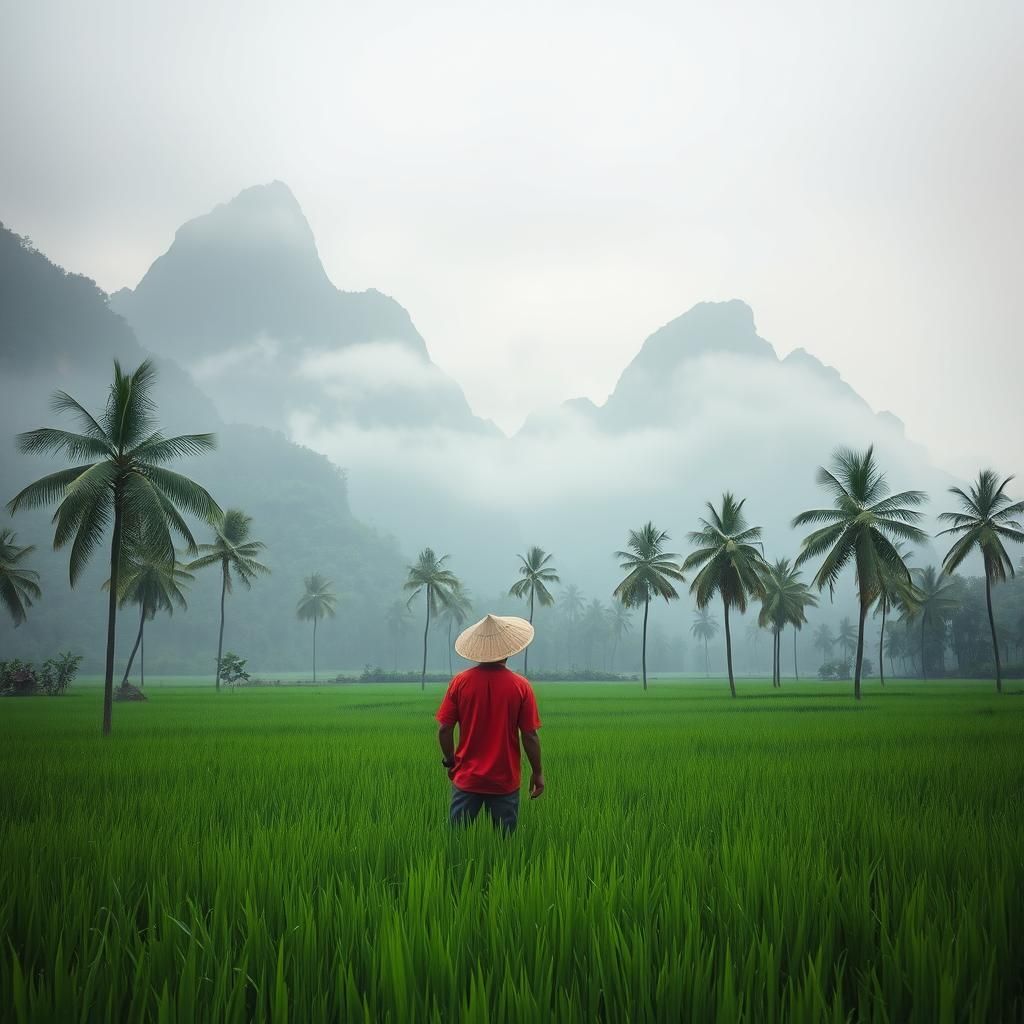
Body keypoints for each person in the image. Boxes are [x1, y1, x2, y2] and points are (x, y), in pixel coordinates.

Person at [435, 613, 544, 832]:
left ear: (479, 649)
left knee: (456, 841)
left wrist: (450, 761)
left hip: (467, 778)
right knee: (505, 844)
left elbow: (445, 730)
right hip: (504, 779)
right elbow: (530, 735)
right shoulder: (521, 686)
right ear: (508, 649)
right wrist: (537, 772)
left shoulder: (460, 683)